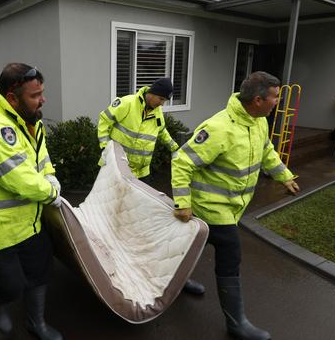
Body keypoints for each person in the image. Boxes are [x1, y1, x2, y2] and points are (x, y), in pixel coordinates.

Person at [171, 71, 300, 340]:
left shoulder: (259, 122)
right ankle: (236, 322)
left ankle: (175, 281)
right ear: (257, 99)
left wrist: (284, 177)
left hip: (234, 206)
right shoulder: (219, 128)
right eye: (275, 97)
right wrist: (183, 203)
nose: (278, 102)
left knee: (191, 243)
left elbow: (266, 152)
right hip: (212, 207)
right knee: (230, 253)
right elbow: (182, 162)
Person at [0, 62, 63, 339]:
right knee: (11, 286)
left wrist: (51, 175)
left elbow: (41, 158)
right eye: (35, 95)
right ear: (12, 98)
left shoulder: (29, 119)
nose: (43, 99)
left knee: (40, 271)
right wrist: (52, 193)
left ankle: (36, 323)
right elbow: (20, 179)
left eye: (42, 92)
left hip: (27, 223)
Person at [97, 77, 205, 295]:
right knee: (114, 209)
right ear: (152, 93)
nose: (162, 103)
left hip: (141, 172)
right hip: (117, 169)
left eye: (165, 101)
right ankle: (107, 246)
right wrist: (105, 149)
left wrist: (175, 148)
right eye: (161, 99)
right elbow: (103, 121)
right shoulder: (126, 103)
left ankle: (137, 248)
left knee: (141, 214)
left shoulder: (157, 113)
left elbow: (162, 132)